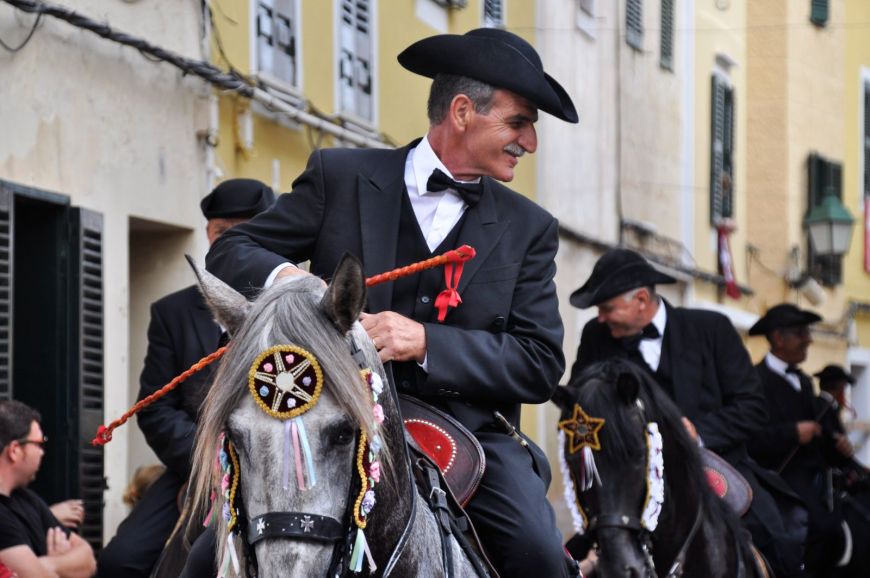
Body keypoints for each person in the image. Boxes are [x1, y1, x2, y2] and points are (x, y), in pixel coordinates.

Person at [206, 27, 579, 578]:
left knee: (540, 556)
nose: (530, 141)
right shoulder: (339, 176)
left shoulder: (530, 227)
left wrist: (426, 342)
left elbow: (539, 363)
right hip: (329, 418)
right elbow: (232, 250)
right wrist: (302, 286)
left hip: (468, 434)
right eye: (519, 122)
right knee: (202, 557)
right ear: (462, 112)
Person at [569, 248, 807, 578]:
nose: (601, 318)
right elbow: (581, 408)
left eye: (607, 308)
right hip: (630, 485)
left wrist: (697, 432)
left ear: (641, 300)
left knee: (779, 544)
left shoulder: (712, 329)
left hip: (713, 467)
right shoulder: (596, 337)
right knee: (565, 559)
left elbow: (752, 407)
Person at [97, 179, 276, 578]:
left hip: (279, 466)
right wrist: (210, 459)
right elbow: (156, 409)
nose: (230, 242)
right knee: (119, 561)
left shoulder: (291, 305)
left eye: (244, 231)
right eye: (221, 232)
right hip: (197, 468)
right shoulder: (172, 313)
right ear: (208, 235)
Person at [749, 305, 854, 576]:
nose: (808, 339)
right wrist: (793, 432)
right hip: (778, 479)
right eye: (801, 333)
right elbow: (751, 437)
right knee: (824, 530)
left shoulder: (805, 382)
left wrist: (837, 446)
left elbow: (818, 434)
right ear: (778, 338)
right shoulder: (755, 380)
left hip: (815, 478)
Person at [0, 400, 96, 578]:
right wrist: (64, 567)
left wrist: (49, 564)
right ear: (14, 450)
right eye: (39, 444)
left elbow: (88, 559)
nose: (42, 452)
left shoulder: (27, 499)